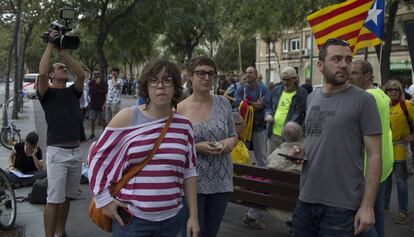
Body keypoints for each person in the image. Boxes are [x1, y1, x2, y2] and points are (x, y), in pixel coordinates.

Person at [88, 59, 199, 237]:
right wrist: (103, 200)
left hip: (172, 221)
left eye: (167, 80)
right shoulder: (127, 118)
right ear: (146, 87)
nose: (160, 86)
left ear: (175, 86)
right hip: (133, 222)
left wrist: (193, 216)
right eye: (154, 80)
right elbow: (97, 159)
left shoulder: (185, 126)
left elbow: (190, 171)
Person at [290, 38, 382, 237]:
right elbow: (314, 137)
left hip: (342, 207)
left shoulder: (365, 101)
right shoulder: (312, 98)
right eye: (337, 59)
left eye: (348, 60)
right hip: (306, 200)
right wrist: (301, 151)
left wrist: (367, 206)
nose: (344, 64)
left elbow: (374, 156)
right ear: (320, 65)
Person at [177, 56, 237, 237]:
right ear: (190, 76)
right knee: (192, 233)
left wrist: (229, 142)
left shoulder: (223, 103)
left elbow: (233, 135)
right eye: (201, 73)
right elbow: (172, 147)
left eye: (211, 74)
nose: (206, 78)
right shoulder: (179, 109)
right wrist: (196, 148)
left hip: (221, 180)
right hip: (191, 182)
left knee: (211, 233)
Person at [38, 31, 85, 237]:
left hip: (75, 152)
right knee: (53, 200)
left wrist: (63, 52)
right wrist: (50, 44)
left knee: (66, 198)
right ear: (51, 75)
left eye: (64, 67)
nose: (64, 68)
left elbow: (81, 74)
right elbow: (41, 73)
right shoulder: (46, 93)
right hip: (57, 153)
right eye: (59, 67)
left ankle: (60, 232)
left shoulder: (73, 91)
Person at [349, 60, 394, 237]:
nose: (349, 77)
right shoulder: (381, 94)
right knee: (376, 212)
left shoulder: (368, 97)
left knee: (362, 220)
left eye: (354, 73)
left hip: (369, 167)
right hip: (383, 165)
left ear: (367, 76)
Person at [234, 66, 270, 229]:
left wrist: (251, 104)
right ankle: (242, 186)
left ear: (256, 75)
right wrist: (256, 105)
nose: (247, 75)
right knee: (241, 156)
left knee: (262, 159)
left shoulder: (262, 88)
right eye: (246, 73)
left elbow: (265, 105)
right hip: (244, 128)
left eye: (250, 73)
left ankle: (259, 184)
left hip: (259, 127)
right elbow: (238, 104)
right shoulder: (241, 88)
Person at [383, 79, 413, 225]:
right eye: (390, 89)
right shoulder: (383, 106)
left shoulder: (406, 105)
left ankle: (403, 211)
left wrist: (412, 135)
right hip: (385, 151)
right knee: (386, 181)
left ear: (401, 92)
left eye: (396, 90)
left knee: (401, 182)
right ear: (386, 92)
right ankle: (384, 205)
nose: (393, 92)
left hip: (400, 150)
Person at [265, 66, 308, 154]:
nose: (285, 82)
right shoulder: (276, 90)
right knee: (271, 163)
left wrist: (300, 134)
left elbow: (306, 115)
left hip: (291, 139)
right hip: (273, 136)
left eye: (288, 79)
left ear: (295, 79)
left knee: (287, 165)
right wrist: (268, 114)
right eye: (283, 79)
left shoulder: (302, 94)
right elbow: (268, 107)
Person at [267, 122, 303, 223]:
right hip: (295, 202)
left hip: (272, 200)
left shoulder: (273, 155)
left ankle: (251, 215)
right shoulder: (304, 158)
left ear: (283, 136)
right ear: (300, 136)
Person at [88, 69, 108, 139]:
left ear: (100, 74)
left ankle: (104, 133)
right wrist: (96, 85)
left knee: (104, 120)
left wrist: (96, 91)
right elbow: (90, 91)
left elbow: (105, 92)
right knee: (92, 120)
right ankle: (92, 133)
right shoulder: (91, 82)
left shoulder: (104, 82)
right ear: (93, 75)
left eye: (98, 74)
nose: (97, 75)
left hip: (102, 105)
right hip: (93, 105)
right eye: (95, 74)